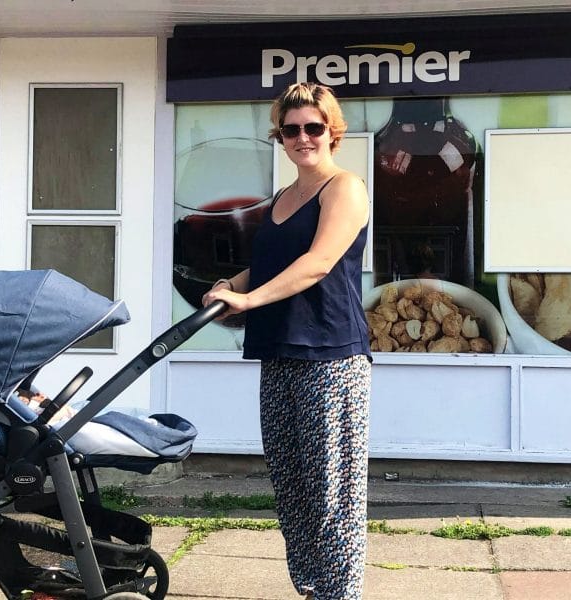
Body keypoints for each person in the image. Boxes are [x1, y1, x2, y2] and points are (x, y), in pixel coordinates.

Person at [202, 82, 372, 600]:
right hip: (278, 350)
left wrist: (250, 302)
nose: (303, 137)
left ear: (331, 132)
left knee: (331, 492)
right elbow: (274, 265)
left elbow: (318, 263)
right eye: (291, 129)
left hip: (331, 357)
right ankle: (314, 588)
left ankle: (340, 594)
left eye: (313, 128)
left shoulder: (345, 188)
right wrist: (234, 284)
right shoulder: (283, 197)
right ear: (280, 136)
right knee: (293, 490)